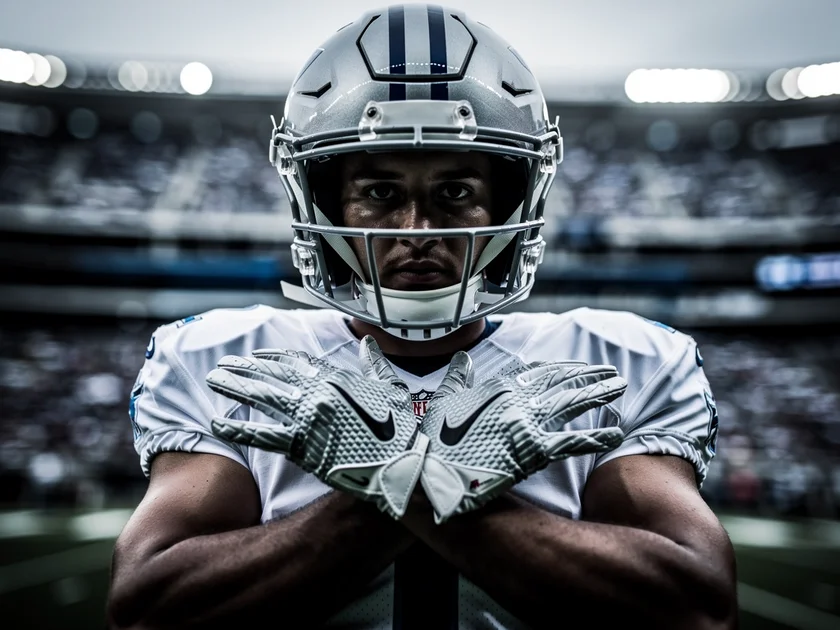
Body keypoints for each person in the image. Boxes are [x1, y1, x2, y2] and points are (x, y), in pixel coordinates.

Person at [106, 5, 737, 629]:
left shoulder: (621, 364)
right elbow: (148, 611)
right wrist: (418, 487)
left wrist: (406, 484)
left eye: (456, 193)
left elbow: (698, 610)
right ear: (322, 203)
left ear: (513, 201)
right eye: (380, 193)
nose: (418, 230)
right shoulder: (225, 361)